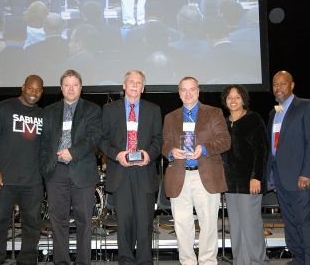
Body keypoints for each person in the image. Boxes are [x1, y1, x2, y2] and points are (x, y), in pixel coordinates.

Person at [162, 76, 231, 265]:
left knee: (208, 223)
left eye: (192, 89)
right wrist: (171, 152)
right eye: (184, 90)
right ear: (179, 93)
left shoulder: (214, 113)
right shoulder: (170, 117)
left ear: (198, 91)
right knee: (182, 224)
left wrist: (204, 148)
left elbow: (225, 140)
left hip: (206, 176)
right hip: (179, 175)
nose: (188, 93)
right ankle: (188, 262)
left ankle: (208, 261)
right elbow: (165, 144)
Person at [39, 69, 102, 264]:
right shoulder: (49, 111)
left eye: (75, 85)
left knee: (84, 221)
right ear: (61, 88)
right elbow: (43, 143)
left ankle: (83, 261)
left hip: (82, 170)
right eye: (67, 85)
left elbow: (94, 138)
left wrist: (72, 152)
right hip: (55, 172)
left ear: (81, 87)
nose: (71, 88)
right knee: (58, 221)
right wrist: (45, 168)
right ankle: (62, 262)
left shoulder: (92, 109)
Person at [100, 70, 162, 265]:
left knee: (144, 224)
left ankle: (145, 261)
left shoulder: (153, 109)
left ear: (143, 88)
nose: (134, 85)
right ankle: (125, 261)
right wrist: (117, 155)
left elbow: (159, 140)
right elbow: (102, 139)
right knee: (124, 223)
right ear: (124, 85)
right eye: (131, 82)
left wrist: (149, 155)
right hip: (120, 172)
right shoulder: (110, 109)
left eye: (139, 83)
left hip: (144, 172)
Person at [0, 75, 44, 265]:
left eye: (38, 89)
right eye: (30, 88)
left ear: (42, 92)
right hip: (4, 179)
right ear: (23, 87)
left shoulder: (43, 114)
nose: (34, 92)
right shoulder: (5, 107)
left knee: (32, 226)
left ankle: (27, 261)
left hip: (33, 181)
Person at [265, 70, 310, 265]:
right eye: (275, 84)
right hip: (280, 177)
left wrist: (307, 173)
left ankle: (309, 261)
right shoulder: (275, 112)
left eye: (282, 84)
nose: (278, 88)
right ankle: (298, 258)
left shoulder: (307, 106)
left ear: (292, 85)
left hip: (300, 177)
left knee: (304, 222)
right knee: (289, 222)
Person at [221, 85, 269, 265]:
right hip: (230, 185)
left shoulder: (253, 119)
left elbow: (262, 151)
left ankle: (259, 262)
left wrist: (256, 177)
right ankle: (240, 262)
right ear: (225, 100)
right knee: (236, 228)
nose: (233, 100)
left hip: (250, 183)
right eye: (229, 97)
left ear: (244, 99)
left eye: (237, 97)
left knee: (251, 227)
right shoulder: (224, 123)